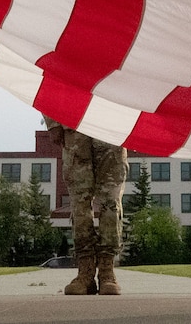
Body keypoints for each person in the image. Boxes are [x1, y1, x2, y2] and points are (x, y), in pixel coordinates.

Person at [45, 117, 128, 295]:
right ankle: (85, 272)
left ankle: (107, 271)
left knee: (111, 203)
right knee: (79, 205)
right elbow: (51, 88)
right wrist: (52, 123)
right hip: (75, 128)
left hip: (111, 127)